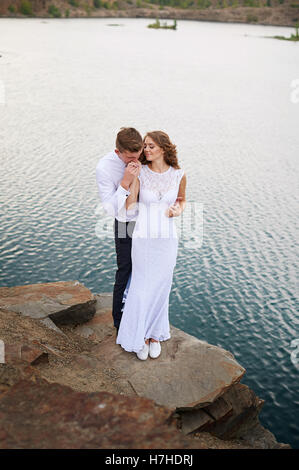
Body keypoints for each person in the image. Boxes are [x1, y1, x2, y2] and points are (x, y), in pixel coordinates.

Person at [116, 131, 187, 360]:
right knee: (141, 286)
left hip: (167, 239)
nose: (146, 150)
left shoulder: (179, 175)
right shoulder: (141, 173)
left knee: (161, 286)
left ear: (164, 149)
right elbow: (130, 206)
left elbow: (182, 200)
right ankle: (140, 335)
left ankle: (155, 334)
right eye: (145, 146)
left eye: (151, 146)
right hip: (144, 238)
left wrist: (178, 209)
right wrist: (128, 180)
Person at [96, 127, 143, 332]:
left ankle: (141, 315)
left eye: (138, 155)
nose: (135, 160)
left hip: (148, 222)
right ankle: (119, 321)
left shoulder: (144, 156)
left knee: (145, 270)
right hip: (126, 223)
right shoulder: (105, 168)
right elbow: (109, 209)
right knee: (125, 269)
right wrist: (124, 182)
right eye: (130, 157)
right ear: (118, 152)